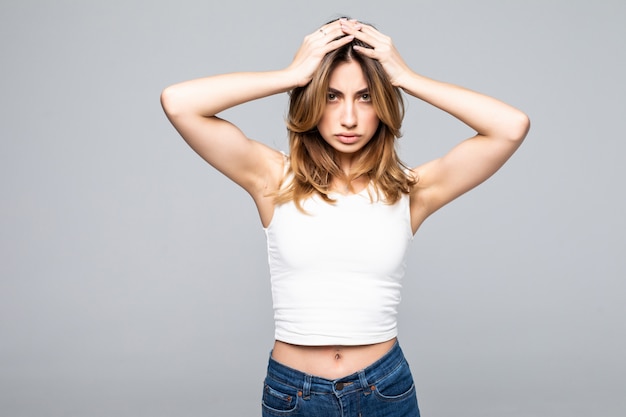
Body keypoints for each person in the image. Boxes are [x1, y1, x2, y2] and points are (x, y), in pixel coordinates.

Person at [161, 17, 529, 417]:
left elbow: (510, 128)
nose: (349, 117)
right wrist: (292, 74)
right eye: (332, 96)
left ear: (383, 105)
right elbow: (179, 103)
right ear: (312, 100)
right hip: (294, 395)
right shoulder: (273, 178)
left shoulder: (410, 190)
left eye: (367, 97)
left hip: (385, 389)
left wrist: (406, 77)